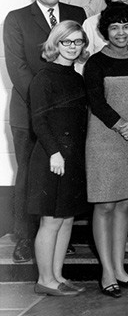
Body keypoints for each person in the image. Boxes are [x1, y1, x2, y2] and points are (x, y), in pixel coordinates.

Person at [4, 0, 86, 264]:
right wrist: (46, 106)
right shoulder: (16, 19)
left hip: (66, 116)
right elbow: (18, 69)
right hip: (29, 113)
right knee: (28, 173)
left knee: (62, 176)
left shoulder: (76, 14)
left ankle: (53, 238)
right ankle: (25, 238)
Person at [83, 2, 128, 297]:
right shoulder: (95, 63)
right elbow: (97, 104)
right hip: (104, 139)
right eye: (114, 27)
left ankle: (121, 268)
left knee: (124, 204)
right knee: (105, 204)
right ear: (104, 31)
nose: (121, 33)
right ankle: (107, 272)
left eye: (125, 26)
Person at [28, 21, 90, 296]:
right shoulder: (44, 77)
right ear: (56, 44)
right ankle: (45, 279)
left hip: (72, 156)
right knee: (51, 220)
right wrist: (55, 153)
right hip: (52, 157)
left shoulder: (76, 77)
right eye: (67, 42)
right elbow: (39, 121)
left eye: (78, 42)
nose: (73, 47)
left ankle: (58, 275)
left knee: (66, 219)